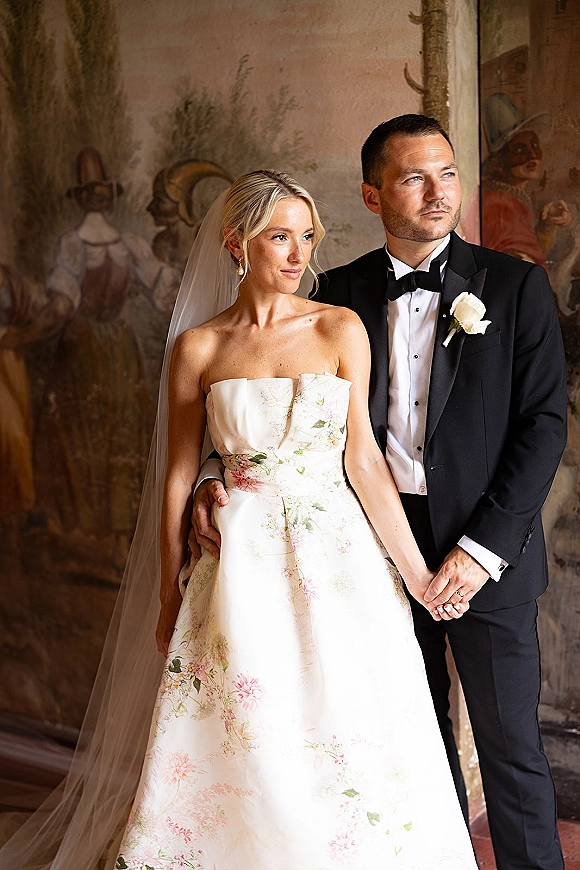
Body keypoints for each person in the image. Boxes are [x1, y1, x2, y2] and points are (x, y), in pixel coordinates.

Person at [0, 172, 477, 870]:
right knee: (249, 724)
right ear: (235, 244)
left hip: (339, 560)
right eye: (278, 236)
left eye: (306, 236)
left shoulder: (338, 327)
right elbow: (175, 473)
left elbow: (366, 464)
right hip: (240, 562)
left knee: (348, 720)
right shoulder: (198, 347)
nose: (297, 254)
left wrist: (419, 578)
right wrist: (170, 592)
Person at [193, 121, 568, 870]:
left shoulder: (514, 285)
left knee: (512, 754)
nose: (439, 194)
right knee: (406, 750)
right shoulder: (337, 292)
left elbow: (544, 426)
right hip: (362, 555)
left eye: (449, 175)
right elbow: (263, 403)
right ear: (371, 194)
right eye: (413, 179)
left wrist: (479, 550)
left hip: (485, 552)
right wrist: (212, 479)